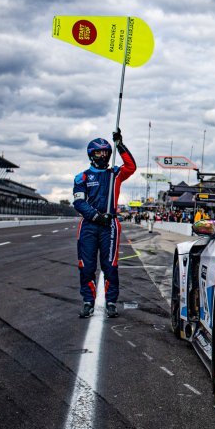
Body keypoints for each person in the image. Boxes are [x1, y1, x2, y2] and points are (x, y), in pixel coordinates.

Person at [72, 129, 136, 318]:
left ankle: (110, 302)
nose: (103, 155)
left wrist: (120, 145)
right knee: (86, 265)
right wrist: (95, 216)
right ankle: (88, 301)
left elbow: (131, 166)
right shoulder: (81, 177)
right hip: (89, 225)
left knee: (110, 265)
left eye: (106, 152)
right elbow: (79, 202)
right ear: (92, 155)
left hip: (110, 225)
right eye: (99, 152)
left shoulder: (115, 173)